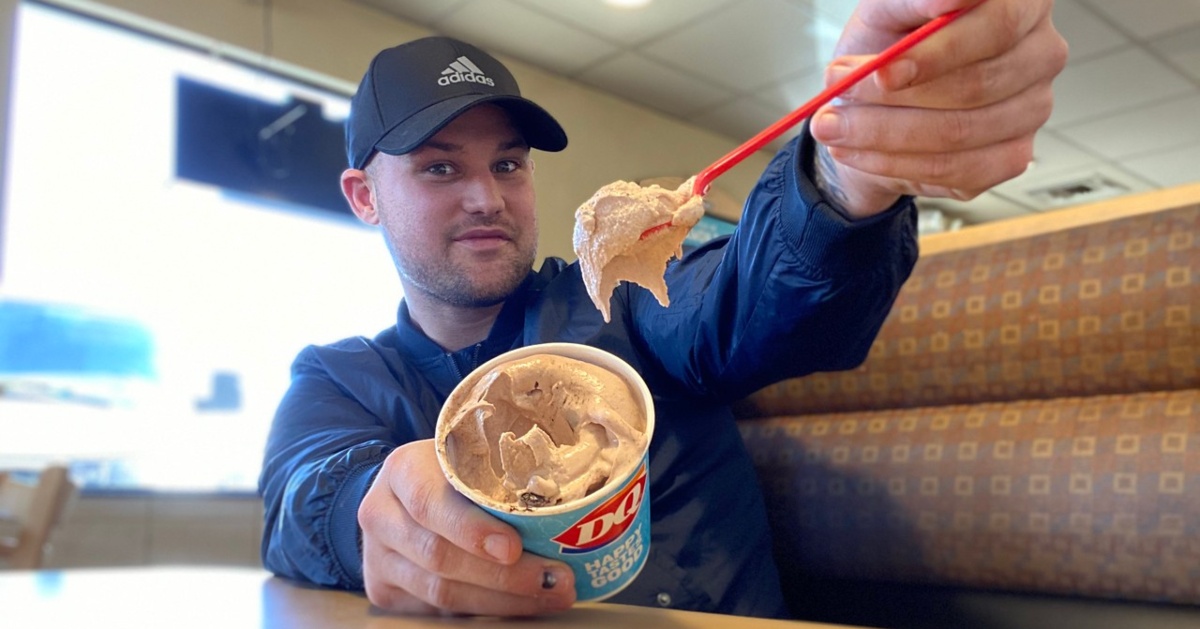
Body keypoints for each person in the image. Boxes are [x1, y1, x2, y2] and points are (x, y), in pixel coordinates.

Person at [258, 0, 1067, 619]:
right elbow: (302, 498)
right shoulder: (339, 379)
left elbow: (761, 295)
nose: (488, 197)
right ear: (365, 196)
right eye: (440, 169)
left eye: (508, 163)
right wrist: (375, 510)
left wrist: (851, 172)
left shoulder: (619, 296)